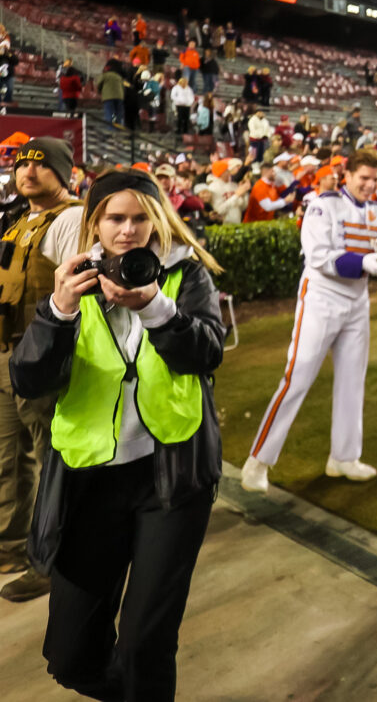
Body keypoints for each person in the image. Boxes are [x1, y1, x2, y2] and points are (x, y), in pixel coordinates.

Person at [10, 168, 224, 699]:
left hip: (171, 478)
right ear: (95, 223)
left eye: (138, 219)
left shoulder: (184, 274)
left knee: (145, 647)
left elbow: (208, 353)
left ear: (155, 222)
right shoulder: (71, 282)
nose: (127, 230)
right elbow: (29, 379)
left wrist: (153, 307)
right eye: (115, 218)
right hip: (89, 481)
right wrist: (57, 311)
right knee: (70, 656)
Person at [241, 150, 377, 492]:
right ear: (347, 175)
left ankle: (344, 456)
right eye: (364, 178)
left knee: (353, 380)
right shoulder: (323, 205)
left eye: (374, 178)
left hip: (357, 300)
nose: (370, 184)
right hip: (322, 298)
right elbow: (319, 256)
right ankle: (258, 461)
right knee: (297, 378)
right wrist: (367, 263)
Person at [0, 139, 83, 603]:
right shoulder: (19, 219)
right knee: (7, 457)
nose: (28, 173)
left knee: (52, 460)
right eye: (21, 165)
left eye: (40, 166)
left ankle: (51, 561)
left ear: (62, 172)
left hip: (41, 355)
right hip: (6, 352)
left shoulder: (71, 219)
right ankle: (10, 546)